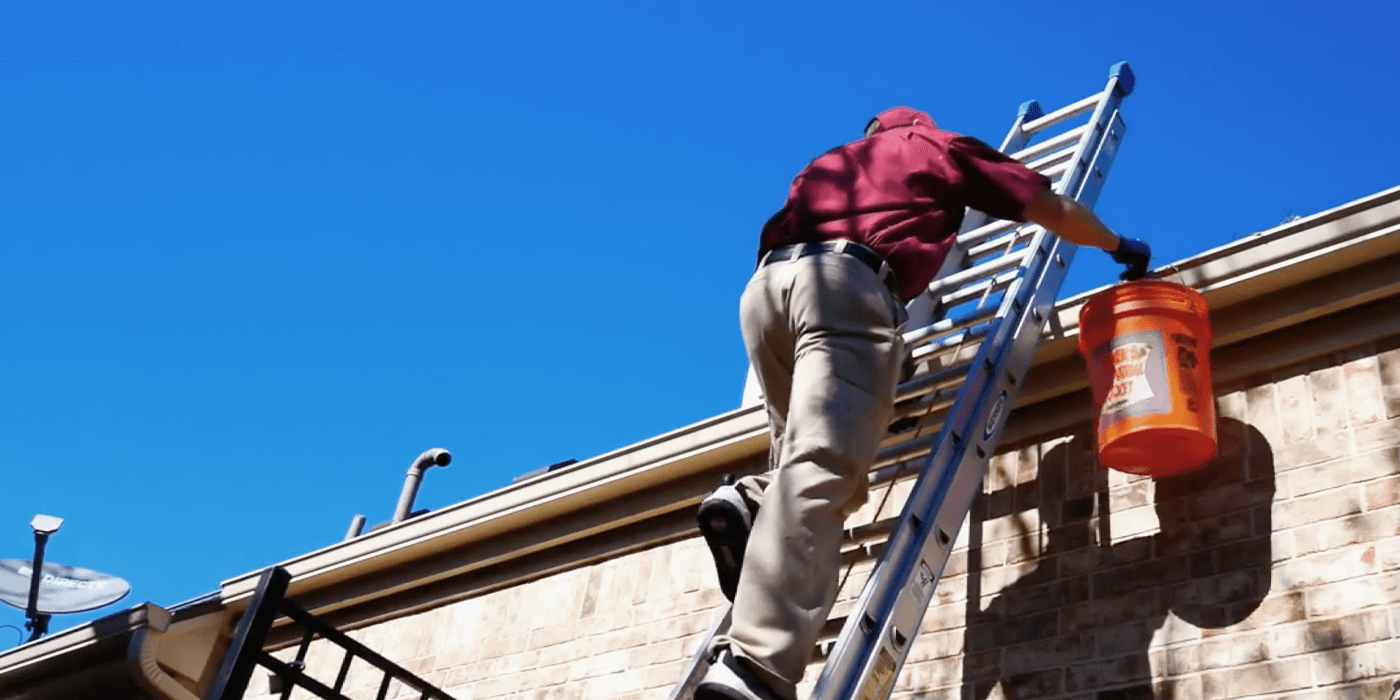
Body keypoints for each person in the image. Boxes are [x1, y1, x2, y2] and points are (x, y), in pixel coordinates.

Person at [691, 107, 1151, 700]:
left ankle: (748, 500)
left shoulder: (829, 163)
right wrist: (1118, 245)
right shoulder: (937, 147)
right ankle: (756, 667)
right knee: (823, 468)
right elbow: (1049, 209)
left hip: (764, 296)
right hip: (844, 287)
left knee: (795, 462)